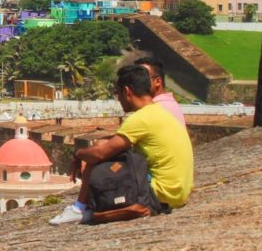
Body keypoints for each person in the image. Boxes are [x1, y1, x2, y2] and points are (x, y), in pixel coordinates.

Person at [50, 64, 194, 225]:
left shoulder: (141, 118)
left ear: (127, 91)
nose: (118, 98)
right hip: (178, 194)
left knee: (98, 156)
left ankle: (79, 208)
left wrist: (78, 154)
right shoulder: (160, 112)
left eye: (117, 93)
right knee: (105, 150)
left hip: (159, 194)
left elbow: (100, 154)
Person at [135, 55, 186, 128]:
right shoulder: (170, 104)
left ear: (158, 81)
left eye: (143, 77)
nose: (137, 81)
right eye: (136, 77)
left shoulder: (157, 109)